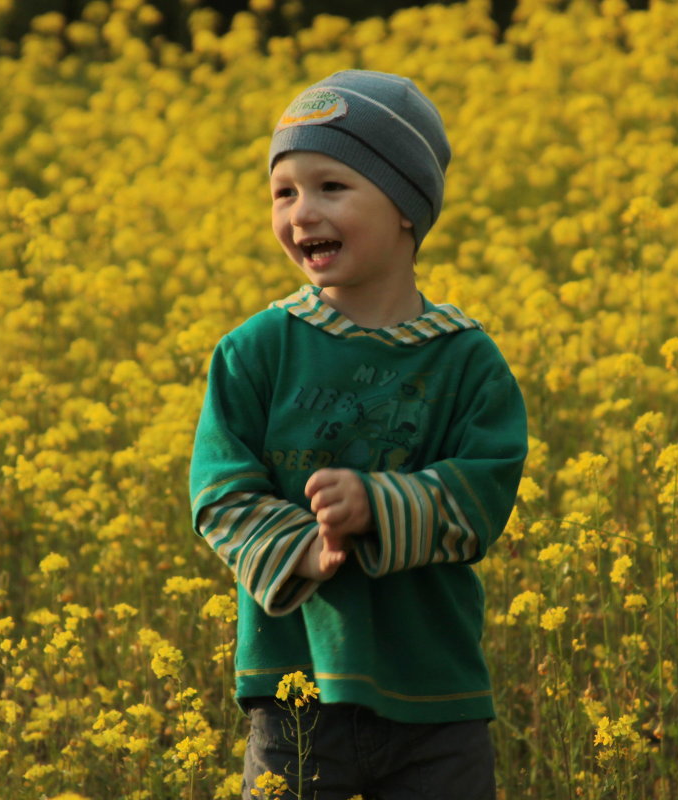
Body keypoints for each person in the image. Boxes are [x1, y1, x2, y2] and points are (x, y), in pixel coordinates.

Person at [189, 69, 528, 800]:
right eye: (284, 193)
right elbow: (218, 494)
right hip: (294, 691)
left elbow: (485, 491)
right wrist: (303, 548)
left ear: (406, 206)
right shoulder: (255, 352)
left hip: (437, 697)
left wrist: (379, 506)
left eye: (332, 187)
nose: (301, 212)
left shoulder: (467, 359)